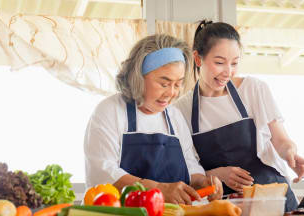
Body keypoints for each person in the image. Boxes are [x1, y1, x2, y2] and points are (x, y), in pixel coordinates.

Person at [174, 21, 304, 211]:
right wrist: (217, 174)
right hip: (226, 206)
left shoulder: (253, 89)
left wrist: (290, 152)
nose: (228, 72)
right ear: (198, 59)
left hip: (272, 197)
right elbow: (186, 168)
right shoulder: (181, 110)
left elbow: (281, 140)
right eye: (219, 62)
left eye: (234, 63)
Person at [84, 34, 223, 204]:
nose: (171, 93)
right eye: (164, 84)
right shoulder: (110, 111)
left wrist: (202, 181)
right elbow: (103, 172)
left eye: (177, 84)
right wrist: (156, 189)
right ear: (138, 77)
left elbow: (189, 164)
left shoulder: (174, 117)